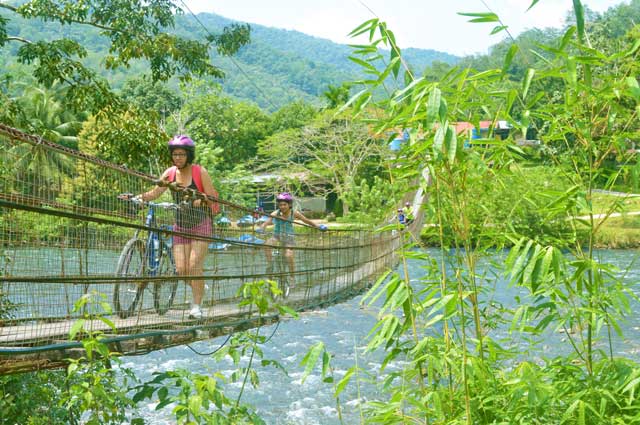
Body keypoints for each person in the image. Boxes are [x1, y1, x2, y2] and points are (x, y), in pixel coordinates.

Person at [123, 135, 219, 319]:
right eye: (175, 154)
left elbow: (212, 196)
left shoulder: (200, 172)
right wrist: (137, 198)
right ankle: (199, 285)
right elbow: (155, 192)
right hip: (181, 226)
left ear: (189, 155)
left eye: (182, 154)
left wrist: (201, 199)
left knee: (193, 266)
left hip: (201, 225)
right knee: (181, 271)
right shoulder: (170, 173)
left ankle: (196, 307)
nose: (178, 158)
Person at [257, 192, 326, 287]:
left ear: (289, 204)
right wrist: (262, 227)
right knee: (267, 244)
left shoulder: (294, 213)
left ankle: (292, 277)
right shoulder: (275, 213)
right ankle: (270, 265)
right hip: (277, 235)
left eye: (284, 204)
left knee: (289, 255)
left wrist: (318, 226)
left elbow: (306, 221)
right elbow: (266, 222)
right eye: (280, 204)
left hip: (289, 237)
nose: (282, 207)